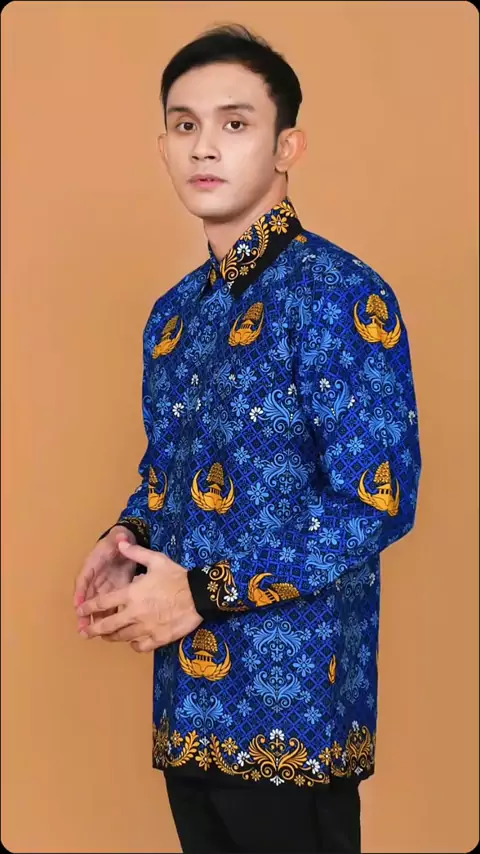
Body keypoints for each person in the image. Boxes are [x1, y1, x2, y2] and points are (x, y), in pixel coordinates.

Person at [73, 24, 422, 854]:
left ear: (286, 146)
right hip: (186, 711)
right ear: (163, 148)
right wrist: (127, 536)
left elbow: (376, 501)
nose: (205, 145)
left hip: (294, 712)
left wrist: (203, 591)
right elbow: (168, 475)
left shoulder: (338, 293)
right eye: (185, 125)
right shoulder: (174, 316)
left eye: (235, 123)